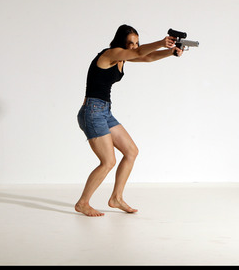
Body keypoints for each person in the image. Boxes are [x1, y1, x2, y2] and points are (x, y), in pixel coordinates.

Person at [75, 25, 181, 217]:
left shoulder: (124, 58)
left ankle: (116, 198)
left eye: (136, 43)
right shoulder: (111, 54)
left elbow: (147, 57)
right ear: (120, 43)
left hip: (104, 111)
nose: (134, 47)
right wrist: (160, 42)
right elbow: (141, 52)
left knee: (131, 151)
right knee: (108, 162)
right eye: (129, 43)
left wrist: (170, 52)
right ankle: (83, 203)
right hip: (92, 111)